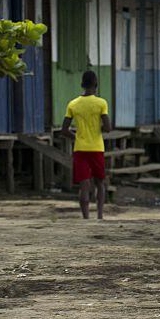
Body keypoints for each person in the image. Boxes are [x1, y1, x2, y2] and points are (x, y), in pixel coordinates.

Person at [60, 70, 112, 220]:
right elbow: (108, 128)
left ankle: (86, 219)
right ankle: (100, 216)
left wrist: (76, 136)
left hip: (80, 148)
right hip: (96, 148)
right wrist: (97, 129)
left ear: (82, 84)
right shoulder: (101, 103)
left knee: (84, 185)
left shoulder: (73, 104)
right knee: (100, 182)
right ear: (96, 84)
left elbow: (64, 130)